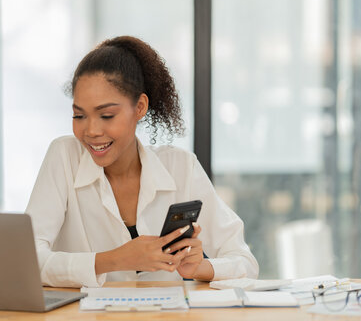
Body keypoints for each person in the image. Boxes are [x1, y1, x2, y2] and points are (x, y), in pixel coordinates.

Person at [25, 36, 259, 287]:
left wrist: (200, 267)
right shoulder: (64, 157)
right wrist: (114, 260)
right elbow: (26, 262)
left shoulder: (180, 168)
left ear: (139, 107)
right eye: (79, 115)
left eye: (106, 115)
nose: (91, 130)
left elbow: (245, 263)